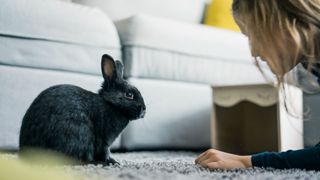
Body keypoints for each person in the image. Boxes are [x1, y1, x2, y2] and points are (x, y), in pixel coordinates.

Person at [195, 0, 320, 170]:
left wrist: (247, 162)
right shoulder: (311, 60)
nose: (254, 51)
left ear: (283, 20)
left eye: (256, 35)